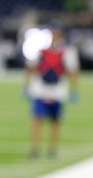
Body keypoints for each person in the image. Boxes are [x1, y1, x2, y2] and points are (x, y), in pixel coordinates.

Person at [24, 22, 80, 159]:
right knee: (38, 120)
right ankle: (35, 149)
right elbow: (30, 67)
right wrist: (26, 85)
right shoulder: (41, 49)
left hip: (57, 91)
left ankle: (52, 150)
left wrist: (74, 91)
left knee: (56, 122)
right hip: (40, 90)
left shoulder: (67, 51)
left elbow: (73, 72)